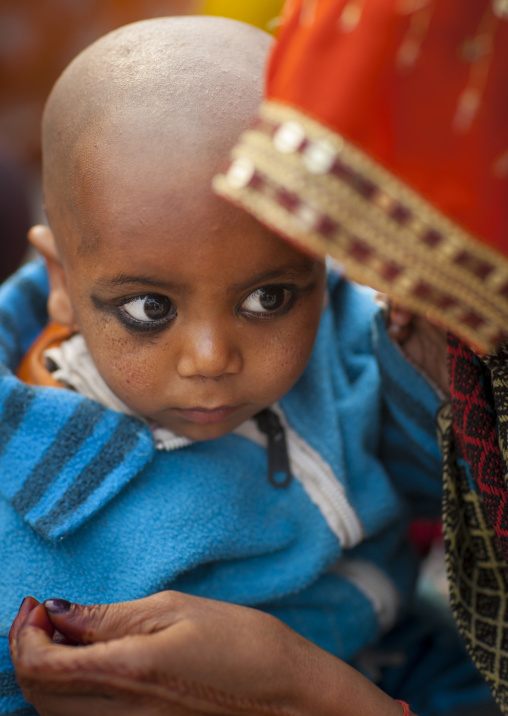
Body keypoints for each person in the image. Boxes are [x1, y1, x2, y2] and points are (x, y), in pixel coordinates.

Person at [1, 11, 493, 716]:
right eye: (149, 310)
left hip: (404, 663)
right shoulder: (27, 498)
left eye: (268, 297)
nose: (211, 359)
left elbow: (453, 463)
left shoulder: (352, 346)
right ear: (60, 281)